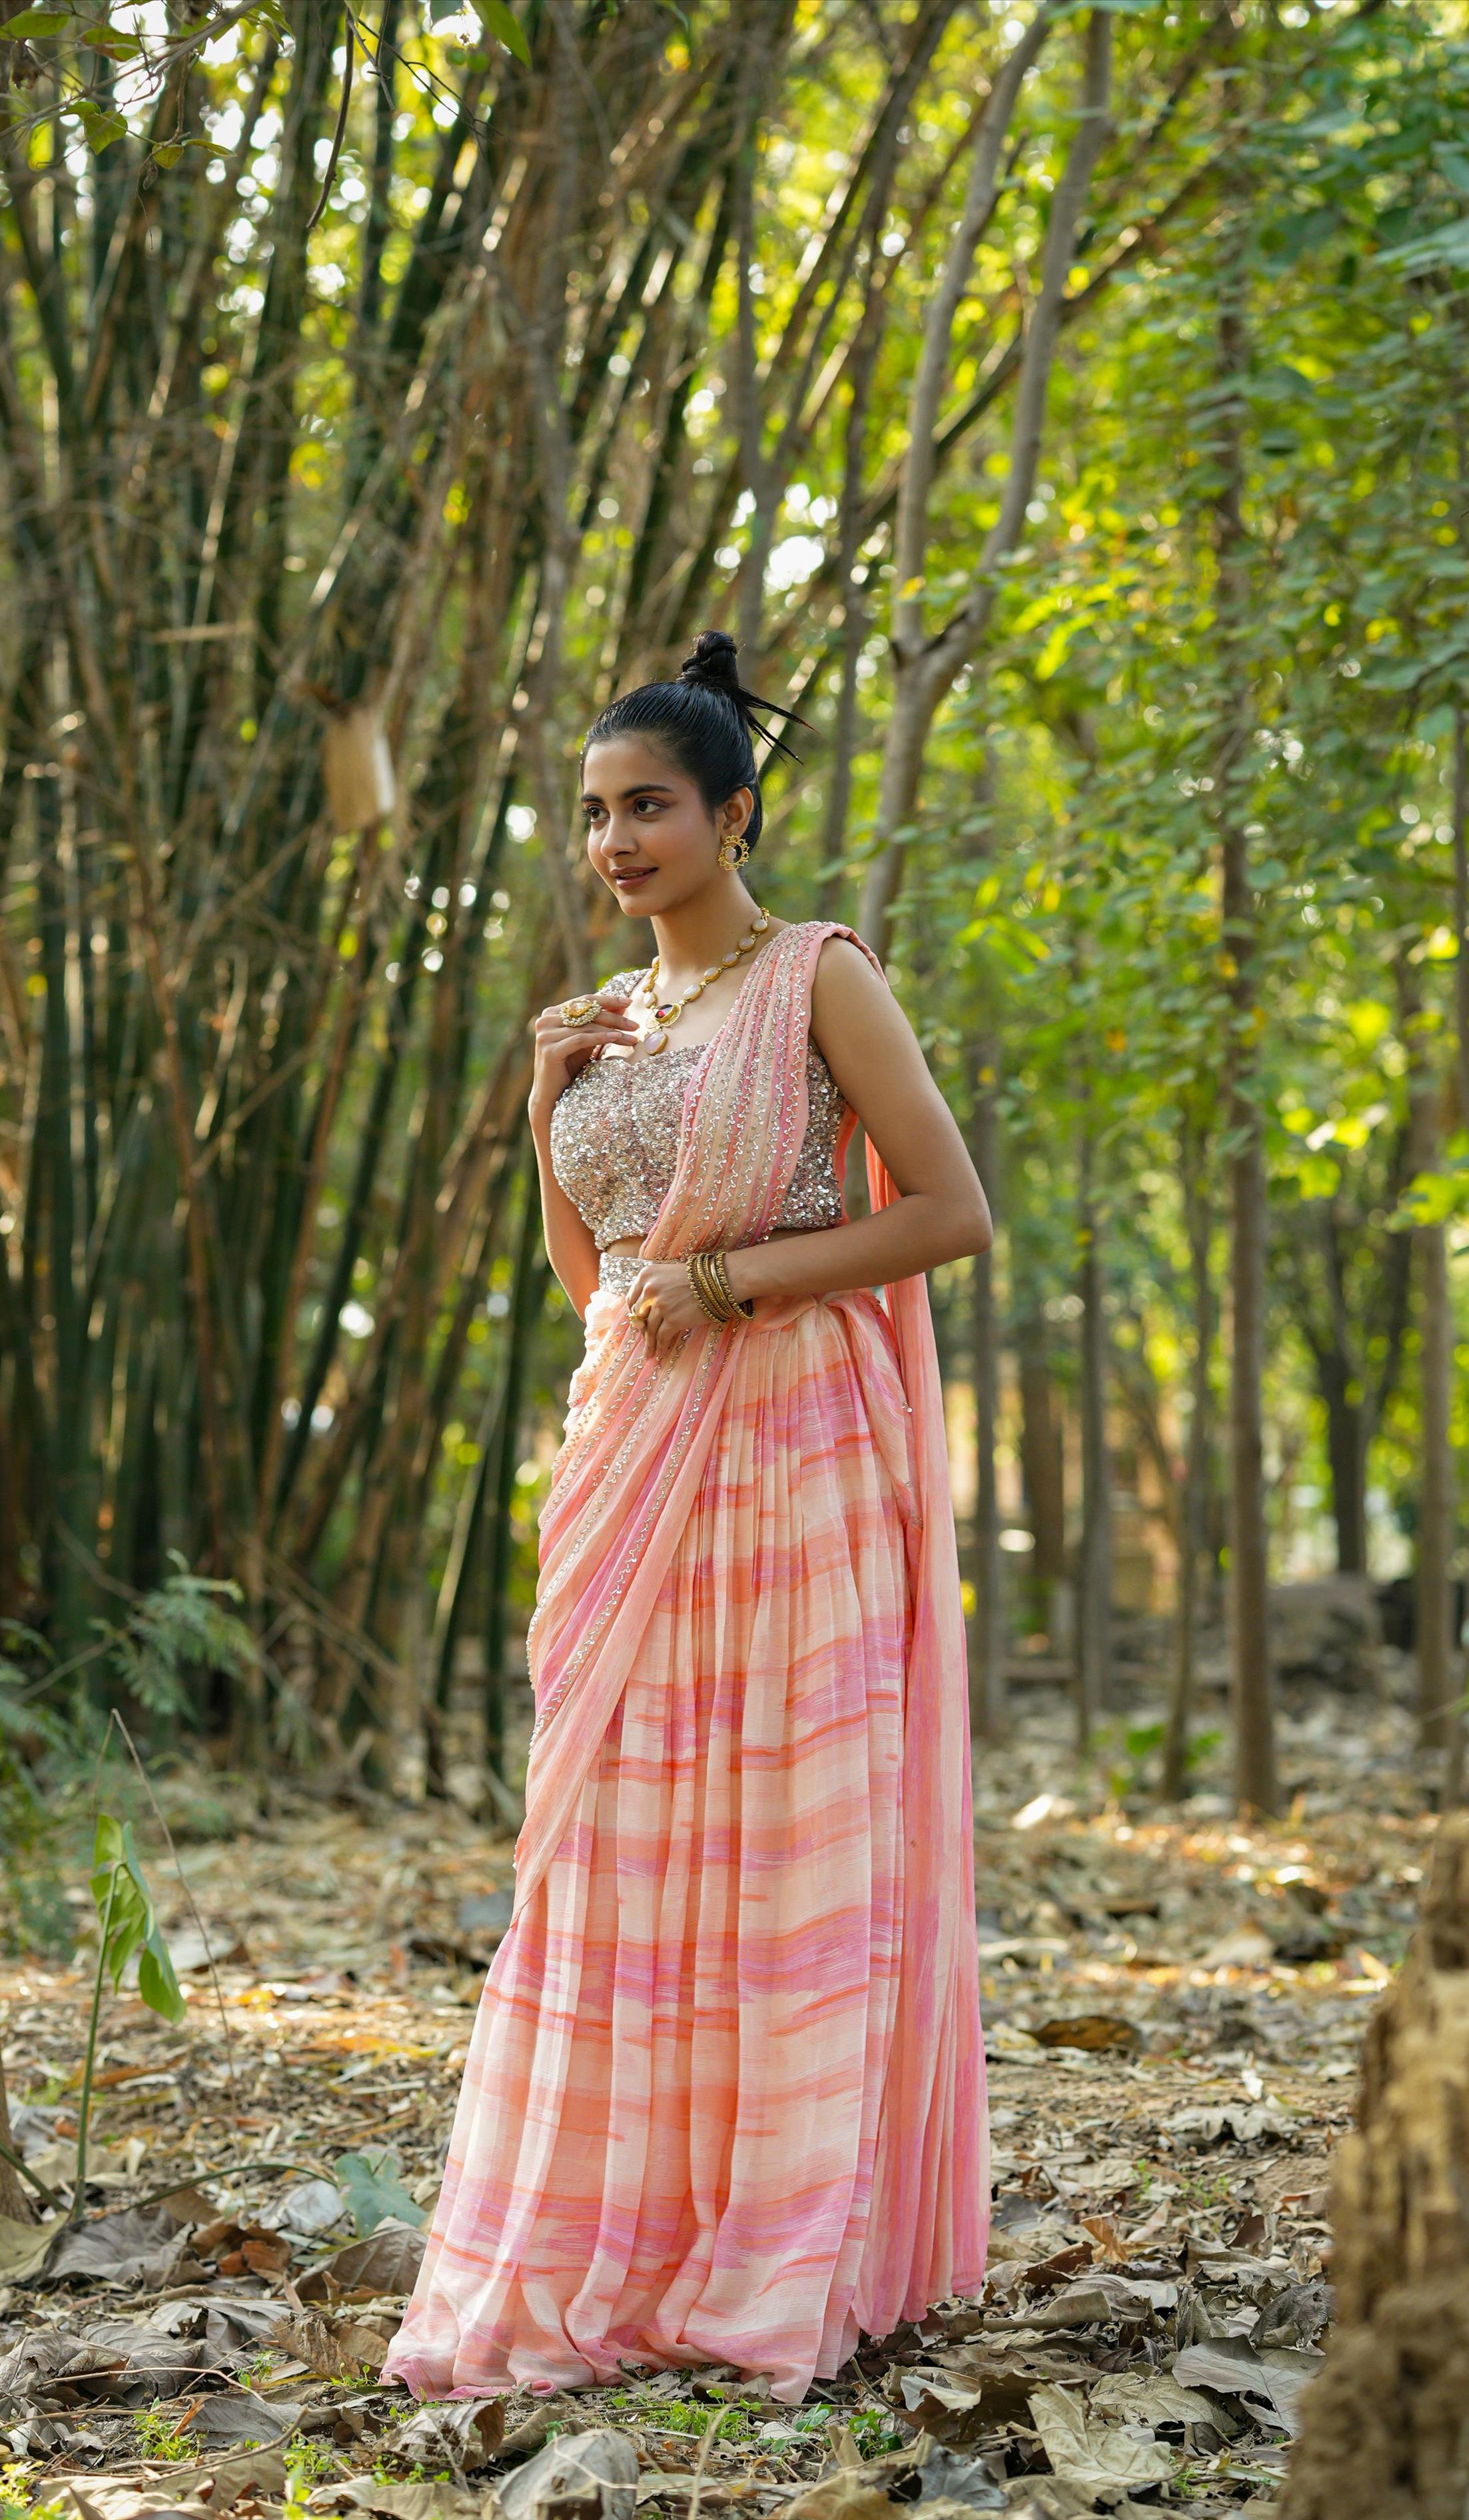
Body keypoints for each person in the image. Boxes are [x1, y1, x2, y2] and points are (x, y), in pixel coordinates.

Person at [384, 630, 990, 2405]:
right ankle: (630, 2227)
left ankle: (782, 2241)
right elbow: (596, 1276)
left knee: (781, 1831)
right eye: (590, 814)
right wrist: (546, 1104)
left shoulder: (817, 977)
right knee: (635, 1835)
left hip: (791, 1444)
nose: (614, 840)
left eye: (647, 805)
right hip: (630, 1442)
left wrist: (729, 1287)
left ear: (732, 813)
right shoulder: (612, 1018)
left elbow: (948, 1212)